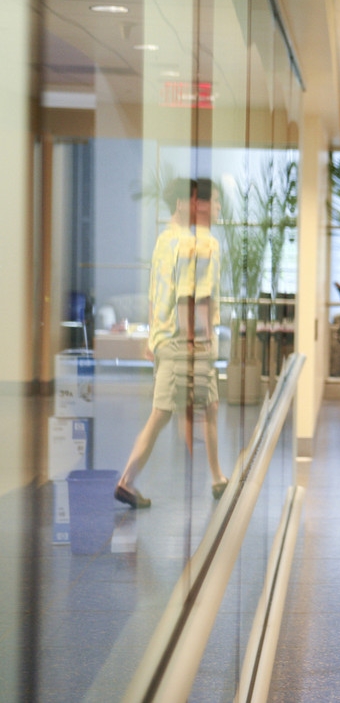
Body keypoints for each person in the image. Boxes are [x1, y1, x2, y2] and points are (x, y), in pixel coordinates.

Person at [115, 177, 227, 508]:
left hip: (167, 339)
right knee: (165, 412)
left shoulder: (165, 240)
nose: (219, 208)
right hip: (186, 341)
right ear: (191, 203)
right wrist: (198, 342)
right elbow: (191, 297)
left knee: (201, 407)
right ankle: (127, 480)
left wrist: (154, 337)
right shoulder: (200, 243)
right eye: (215, 202)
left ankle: (217, 476)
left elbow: (155, 292)